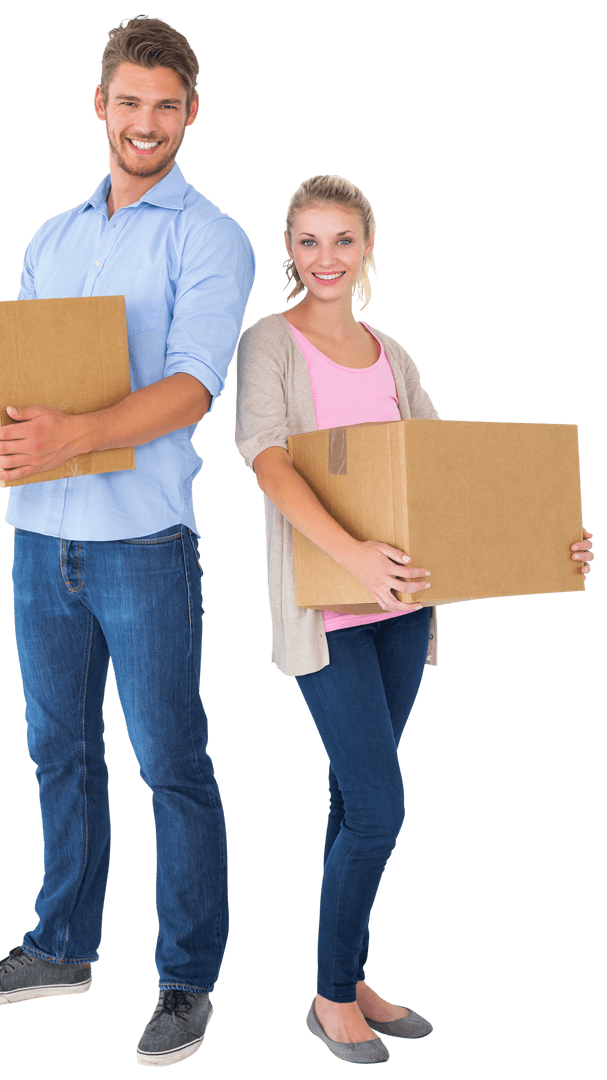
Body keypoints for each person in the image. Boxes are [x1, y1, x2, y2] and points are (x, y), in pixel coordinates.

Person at [0, 17, 254, 1069]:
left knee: (171, 763)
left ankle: (186, 980)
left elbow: (192, 384)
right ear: (100, 106)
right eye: (129, 102)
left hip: (144, 542)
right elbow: (9, 393)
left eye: (166, 106)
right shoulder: (51, 238)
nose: (146, 123)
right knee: (56, 752)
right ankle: (62, 947)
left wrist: (78, 432)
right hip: (40, 543)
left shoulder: (210, 236)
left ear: (190, 114)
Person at [234, 173, 593, 1065]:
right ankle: (326, 997)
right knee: (381, 808)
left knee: (354, 801)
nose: (326, 258)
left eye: (343, 240)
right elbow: (268, 462)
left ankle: (349, 975)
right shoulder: (268, 344)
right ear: (290, 250)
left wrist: (555, 537)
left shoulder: (392, 354)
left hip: (401, 611)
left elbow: (450, 471)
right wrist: (353, 555)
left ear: (368, 250)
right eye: (309, 241)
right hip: (329, 610)